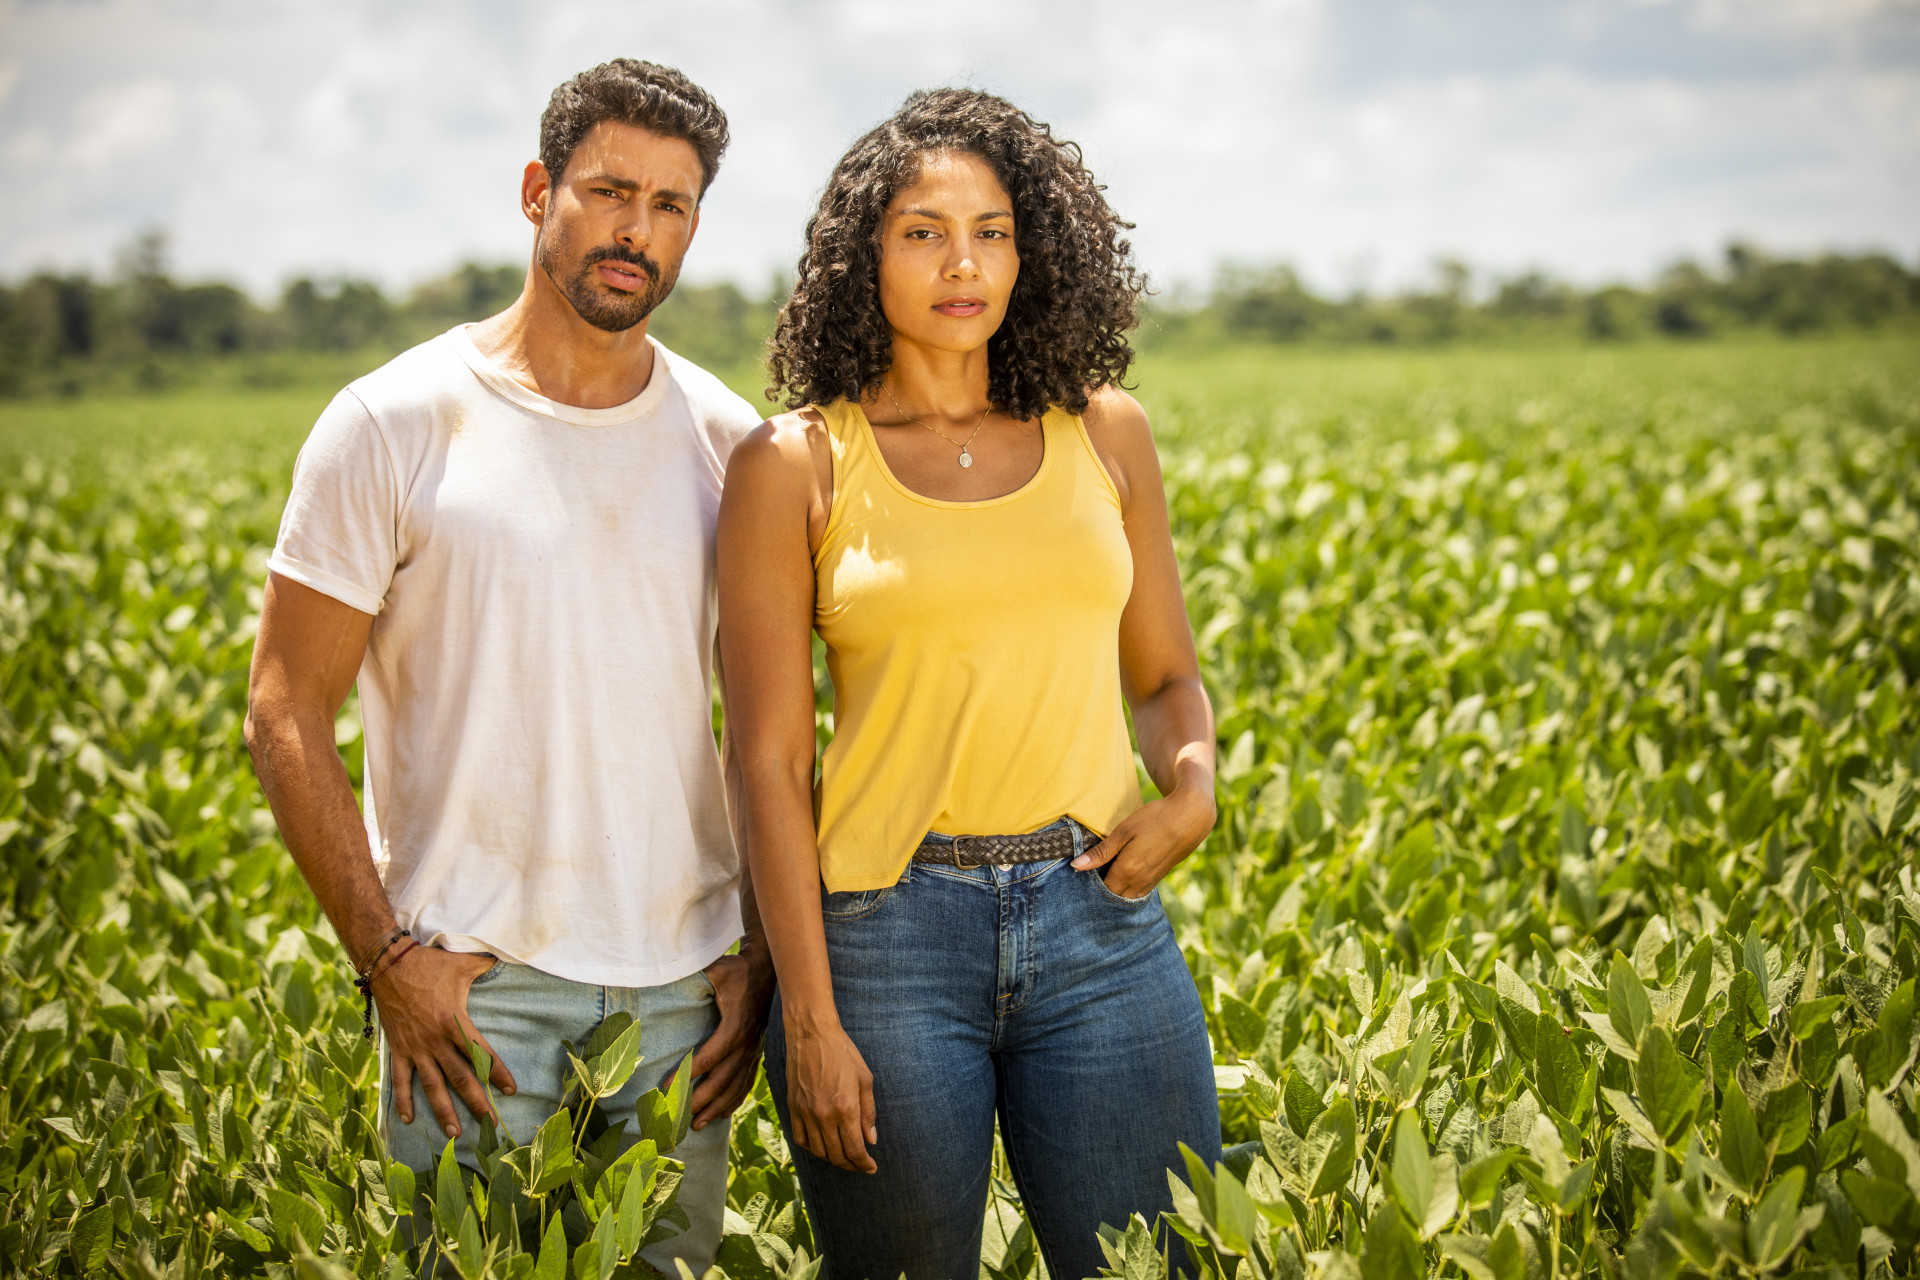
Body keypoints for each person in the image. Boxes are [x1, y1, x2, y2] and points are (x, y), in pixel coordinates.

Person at [243, 59, 772, 1272]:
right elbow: (284, 708)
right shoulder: (394, 421)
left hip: (682, 1008)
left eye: (672, 205)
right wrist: (387, 961)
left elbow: (762, 735)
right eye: (608, 191)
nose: (637, 230)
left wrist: (759, 962)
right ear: (539, 192)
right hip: (474, 1003)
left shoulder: (727, 442)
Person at [717, 89, 1222, 1280]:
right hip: (883, 942)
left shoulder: (1106, 432)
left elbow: (1165, 677)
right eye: (923, 232)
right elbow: (770, 763)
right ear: (863, 255)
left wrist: (1194, 787)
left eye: (992, 231)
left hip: (1102, 921)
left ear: (1030, 251)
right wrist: (810, 1015)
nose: (964, 263)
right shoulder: (794, 462)